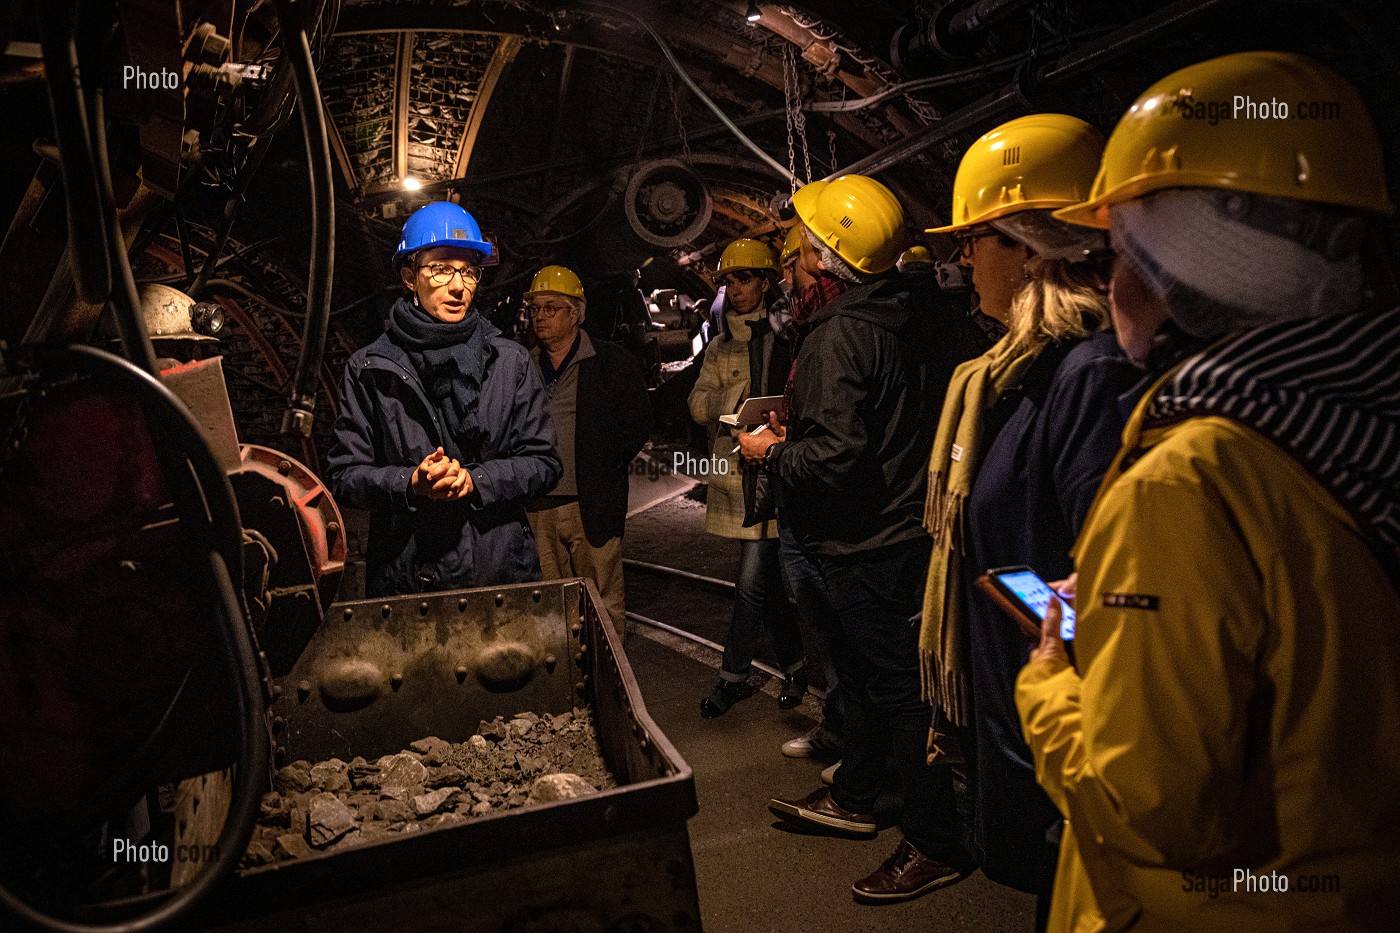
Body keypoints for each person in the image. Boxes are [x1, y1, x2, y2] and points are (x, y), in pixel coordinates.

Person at [1016, 51, 1400, 932]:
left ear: (1180, 270)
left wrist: (1047, 683)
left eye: (1121, 250)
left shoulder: (1189, 482)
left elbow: (1151, 808)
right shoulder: (1358, 417)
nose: (1110, 280)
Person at [918, 113, 1141, 924]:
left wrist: (1054, 671)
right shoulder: (1024, 373)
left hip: (1062, 725)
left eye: (976, 237)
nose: (962, 258)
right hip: (1027, 705)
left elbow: (1112, 585)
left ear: (1029, 248)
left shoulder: (1086, 377)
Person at [743, 175, 973, 904]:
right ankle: (857, 794)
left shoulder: (841, 331)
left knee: (902, 691)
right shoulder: (908, 312)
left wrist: (771, 452)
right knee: (882, 680)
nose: (796, 257)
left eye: (803, 245)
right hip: (906, 525)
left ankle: (935, 841)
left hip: (864, 540)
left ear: (825, 255)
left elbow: (836, 457)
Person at [326, 201, 561, 596]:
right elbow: (344, 475)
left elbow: (544, 462)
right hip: (408, 577)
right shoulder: (370, 369)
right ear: (409, 277)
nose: (458, 285)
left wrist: (475, 480)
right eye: (440, 269)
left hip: (498, 572)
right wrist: (409, 482)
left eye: (469, 271)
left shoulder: (510, 362)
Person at [688, 237, 808, 718]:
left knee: (752, 583)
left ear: (765, 282)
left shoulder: (791, 337)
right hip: (741, 479)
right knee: (766, 585)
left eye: (743, 279)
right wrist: (733, 401)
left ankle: (731, 677)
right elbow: (697, 406)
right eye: (728, 281)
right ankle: (797, 666)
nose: (734, 289)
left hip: (779, 473)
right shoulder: (719, 347)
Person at [522, 264, 652, 629]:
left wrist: (602, 466)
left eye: (551, 307)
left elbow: (637, 424)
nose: (540, 317)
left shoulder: (612, 363)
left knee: (603, 602)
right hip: (539, 506)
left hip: (590, 503)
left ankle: (608, 680)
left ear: (576, 313)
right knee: (552, 605)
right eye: (535, 309)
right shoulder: (523, 367)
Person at [773, 223, 845, 763]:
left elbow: (837, 444)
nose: (784, 278)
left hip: (827, 513)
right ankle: (843, 728)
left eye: (788, 265)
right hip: (809, 503)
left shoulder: (835, 333)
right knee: (827, 628)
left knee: (843, 635)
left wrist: (774, 451)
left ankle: (856, 746)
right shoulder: (812, 328)